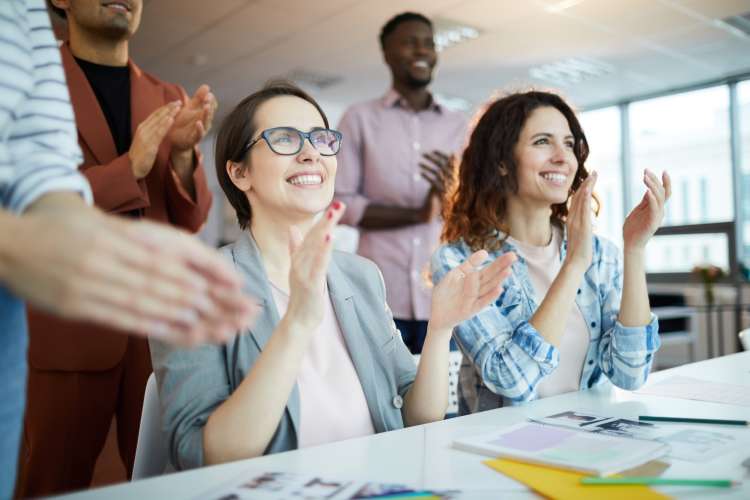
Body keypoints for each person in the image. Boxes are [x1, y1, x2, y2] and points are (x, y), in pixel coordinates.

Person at [150, 81, 516, 470]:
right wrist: (298, 322)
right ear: (240, 173)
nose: (311, 153)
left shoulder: (360, 275)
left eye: (321, 139)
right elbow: (202, 456)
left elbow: (415, 418)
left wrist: (440, 329)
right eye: (285, 139)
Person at [0, 2, 256, 498]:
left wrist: (182, 157)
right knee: (51, 478)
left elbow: (192, 216)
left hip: (153, 330)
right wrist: (130, 167)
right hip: (65, 319)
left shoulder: (168, 97)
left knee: (160, 479)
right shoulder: (35, 74)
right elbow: (29, 197)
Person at [432, 90, 671, 414]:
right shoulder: (461, 261)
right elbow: (510, 378)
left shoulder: (601, 254)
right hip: (501, 449)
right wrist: (573, 267)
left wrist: (634, 249)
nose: (563, 156)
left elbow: (630, 374)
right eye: (543, 141)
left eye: (569, 144)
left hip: (590, 438)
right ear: (502, 161)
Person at [335, 12, 468, 354]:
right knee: (383, 402)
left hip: (444, 294)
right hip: (379, 297)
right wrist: (419, 214)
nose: (421, 50)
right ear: (387, 54)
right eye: (409, 42)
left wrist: (450, 197)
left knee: (444, 404)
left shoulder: (459, 125)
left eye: (428, 43)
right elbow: (342, 203)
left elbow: (476, 204)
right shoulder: (358, 119)